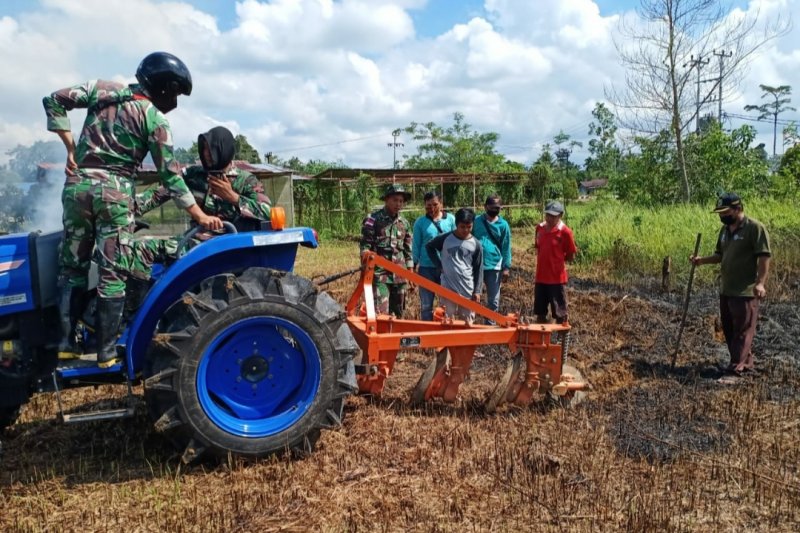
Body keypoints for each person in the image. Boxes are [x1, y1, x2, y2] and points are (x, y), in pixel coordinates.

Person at [43, 51, 222, 368]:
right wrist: (199, 215)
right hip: (114, 194)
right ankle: (106, 352)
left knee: (72, 265)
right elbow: (171, 177)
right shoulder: (155, 119)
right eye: (176, 92)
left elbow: (54, 100)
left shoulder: (103, 89)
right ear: (164, 87)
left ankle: (66, 344)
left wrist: (71, 148)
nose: (176, 101)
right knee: (115, 268)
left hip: (77, 187)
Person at [131, 126, 272, 283]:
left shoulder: (246, 180)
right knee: (136, 248)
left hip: (225, 246)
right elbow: (162, 193)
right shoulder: (194, 175)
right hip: (195, 240)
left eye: (210, 149)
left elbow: (267, 211)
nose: (206, 154)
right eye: (203, 149)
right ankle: (139, 297)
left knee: (142, 249)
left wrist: (232, 197)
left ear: (223, 150)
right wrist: (128, 208)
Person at [690, 193, 771, 382]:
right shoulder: (725, 231)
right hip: (726, 289)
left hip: (745, 290)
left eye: (725, 212)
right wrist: (701, 261)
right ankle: (745, 363)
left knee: (743, 330)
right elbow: (720, 255)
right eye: (719, 213)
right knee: (730, 329)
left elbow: (764, 256)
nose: (722, 216)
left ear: (737, 209)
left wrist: (760, 283)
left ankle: (735, 370)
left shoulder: (754, 228)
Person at [360, 184, 414, 317]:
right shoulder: (373, 220)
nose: (398, 204)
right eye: (395, 200)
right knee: (381, 313)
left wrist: (410, 272)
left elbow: (408, 250)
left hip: (400, 275)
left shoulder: (404, 223)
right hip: (380, 274)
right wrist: (365, 265)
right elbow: (365, 246)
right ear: (386, 200)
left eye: (401, 201)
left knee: (399, 313)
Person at [425, 208, 483, 324]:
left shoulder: (476, 244)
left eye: (469, 227)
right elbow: (429, 247)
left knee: (467, 323)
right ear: (456, 224)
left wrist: (477, 290)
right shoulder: (446, 238)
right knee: (446, 321)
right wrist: (439, 265)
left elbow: (478, 269)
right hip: (448, 287)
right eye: (462, 227)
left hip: (467, 288)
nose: (465, 230)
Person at [412, 191, 456, 321]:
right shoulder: (420, 223)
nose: (432, 208)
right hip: (426, 268)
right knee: (426, 305)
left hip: (447, 268)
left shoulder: (451, 220)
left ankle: (444, 334)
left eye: (435, 204)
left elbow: (456, 241)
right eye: (428, 206)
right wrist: (413, 265)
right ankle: (427, 334)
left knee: (446, 305)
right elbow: (416, 245)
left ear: (441, 204)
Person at [533, 200, 578, 324]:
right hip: (541, 277)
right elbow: (539, 248)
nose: (550, 218)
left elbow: (571, 255)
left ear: (560, 216)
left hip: (556, 279)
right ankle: (541, 340)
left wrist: (557, 262)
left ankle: (562, 340)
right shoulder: (540, 228)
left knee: (560, 314)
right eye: (548, 215)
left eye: (554, 216)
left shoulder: (565, 232)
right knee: (540, 313)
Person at [472, 194, 512, 320]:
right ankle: (470, 326)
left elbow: (506, 247)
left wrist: (506, 267)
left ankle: (491, 328)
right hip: (476, 265)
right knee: (472, 297)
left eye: (497, 207)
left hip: (494, 265)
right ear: (485, 207)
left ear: (501, 208)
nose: (494, 209)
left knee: (493, 301)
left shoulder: (503, 225)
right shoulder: (476, 221)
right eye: (491, 207)